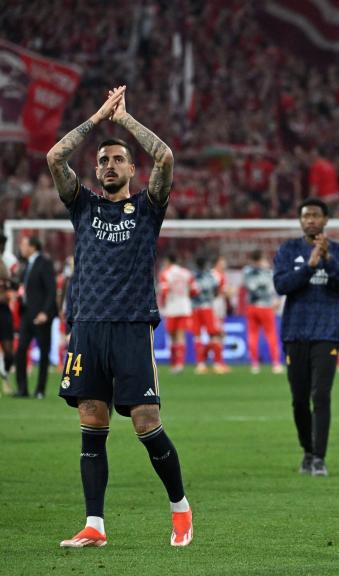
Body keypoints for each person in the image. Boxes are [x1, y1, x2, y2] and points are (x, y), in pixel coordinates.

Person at [47, 86, 193, 547]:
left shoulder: (148, 209)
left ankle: (180, 510)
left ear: (132, 169)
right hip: (88, 325)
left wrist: (125, 121)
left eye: (117, 160)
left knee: (146, 421)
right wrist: (96, 119)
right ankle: (95, 525)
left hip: (131, 325)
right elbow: (55, 157)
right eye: (103, 161)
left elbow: (166, 157)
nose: (109, 166)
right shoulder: (83, 206)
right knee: (92, 421)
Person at [273, 197, 339, 477]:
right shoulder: (288, 250)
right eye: (305, 215)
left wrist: (328, 260)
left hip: (327, 333)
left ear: (325, 220)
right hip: (295, 333)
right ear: (300, 220)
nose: (310, 220)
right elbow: (282, 285)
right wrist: (309, 266)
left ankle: (319, 457)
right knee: (298, 399)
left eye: (315, 215)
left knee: (321, 395)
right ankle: (307, 451)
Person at [14, 234, 57, 399]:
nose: (21, 248)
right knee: (20, 351)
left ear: (33, 246)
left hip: (40, 316)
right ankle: (22, 389)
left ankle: (40, 389)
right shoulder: (26, 264)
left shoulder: (44, 263)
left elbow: (51, 290)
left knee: (44, 353)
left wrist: (45, 312)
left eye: (24, 244)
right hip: (26, 314)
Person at [242, 250, 283, 374]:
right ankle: (275, 364)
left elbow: (246, 286)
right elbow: (274, 289)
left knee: (252, 335)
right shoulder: (268, 272)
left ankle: (254, 365)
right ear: (261, 259)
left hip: (251, 307)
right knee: (271, 335)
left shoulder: (246, 271)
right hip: (265, 307)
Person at [157, 254, 195, 374]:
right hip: (184, 307)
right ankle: (180, 364)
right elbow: (194, 291)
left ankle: (174, 364)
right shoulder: (186, 273)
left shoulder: (165, 273)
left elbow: (164, 291)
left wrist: (162, 305)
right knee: (181, 335)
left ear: (168, 261)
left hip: (171, 307)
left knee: (172, 336)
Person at [191, 255, 228, 374]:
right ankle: (217, 364)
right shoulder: (211, 277)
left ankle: (200, 364)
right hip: (208, 308)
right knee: (214, 334)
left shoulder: (192, 277)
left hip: (195, 309)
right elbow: (217, 291)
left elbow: (190, 292)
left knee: (197, 336)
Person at [0, 233, 15, 396]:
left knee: (10, 352)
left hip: (4, 311)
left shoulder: (6, 262)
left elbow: (10, 284)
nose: (2, 248)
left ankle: (4, 373)